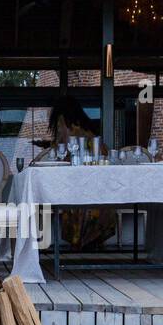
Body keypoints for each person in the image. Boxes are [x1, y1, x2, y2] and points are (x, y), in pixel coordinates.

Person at [45, 95, 114, 252]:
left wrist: (51, 149)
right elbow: (104, 153)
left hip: (75, 179)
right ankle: (92, 240)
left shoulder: (66, 124)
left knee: (72, 199)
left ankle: (80, 240)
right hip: (99, 182)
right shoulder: (87, 127)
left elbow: (64, 148)